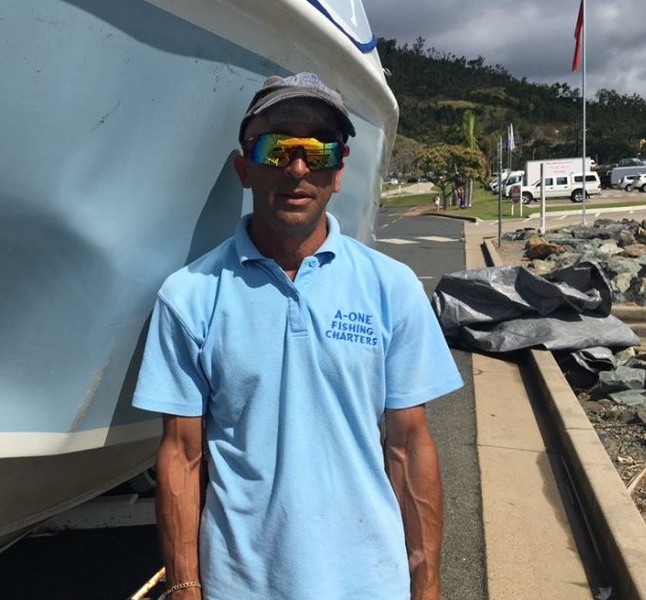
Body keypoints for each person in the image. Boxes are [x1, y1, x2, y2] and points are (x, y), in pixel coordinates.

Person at [132, 72, 463, 600]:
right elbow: (181, 455)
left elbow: (408, 446)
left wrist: (426, 584)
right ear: (245, 168)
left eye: (319, 150)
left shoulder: (391, 286)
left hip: (372, 583)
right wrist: (185, 587)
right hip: (240, 586)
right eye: (277, 147)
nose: (298, 167)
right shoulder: (189, 295)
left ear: (339, 172)